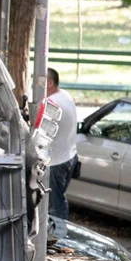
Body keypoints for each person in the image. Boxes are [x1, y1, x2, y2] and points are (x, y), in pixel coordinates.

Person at [44, 68, 78, 228]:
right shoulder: (65, 95)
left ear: (50, 83)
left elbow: (40, 132)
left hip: (56, 162)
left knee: (56, 206)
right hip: (70, 156)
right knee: (59, 199)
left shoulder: (52, 103)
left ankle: (59, 237)